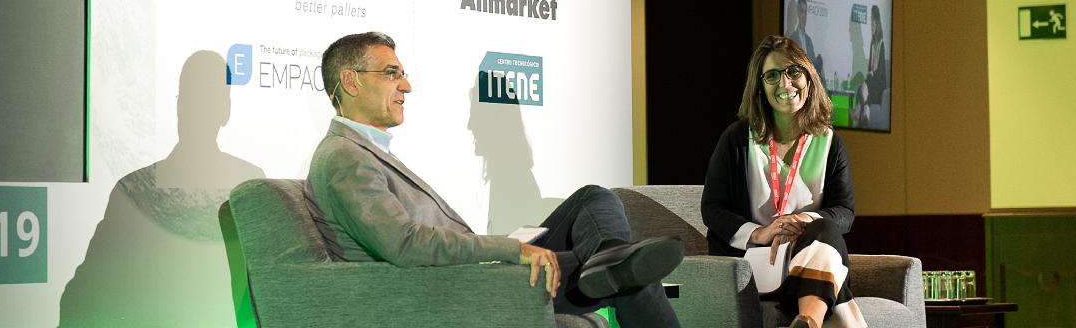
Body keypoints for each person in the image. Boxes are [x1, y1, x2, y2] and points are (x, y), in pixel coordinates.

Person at [304, 32, 683, 326]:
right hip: (460, 288)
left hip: (471, 274)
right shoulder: (344, 157)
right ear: (350, 81)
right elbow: (405, 244)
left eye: (402, 74)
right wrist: (510, 249)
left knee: (593, 198)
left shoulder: (361, 151)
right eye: (392, 74)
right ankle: (613, 260)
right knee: (632, 271)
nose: (406, 86)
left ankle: (609, 254)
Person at [702, 35, 867, 328]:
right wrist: (761, 232)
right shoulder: (737, 139)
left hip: (807, 256)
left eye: (793, 72)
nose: (785, 83)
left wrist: (804, 221)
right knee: (831, 274)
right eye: (772, 76)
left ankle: (807, 321)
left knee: (825, 228)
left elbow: (845, 211)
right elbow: (712, 209)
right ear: (760, 87)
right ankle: (811, 320)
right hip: (755, 262)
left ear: (809, 78)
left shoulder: (830, 143)